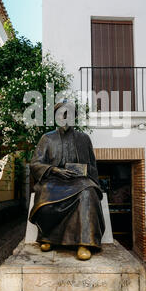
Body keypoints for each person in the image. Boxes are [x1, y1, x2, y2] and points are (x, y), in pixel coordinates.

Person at [29, 102, 105, 260]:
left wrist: (84, 173)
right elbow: (35, 164)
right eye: (61, 114)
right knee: (45, 193)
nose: (65, 117)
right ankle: (48, 237)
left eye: (68, 114)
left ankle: (85, 243)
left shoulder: (84, 139)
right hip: (53, 180)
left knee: (88, 192)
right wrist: (55, 170)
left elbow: (92, 165)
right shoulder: (47, 138)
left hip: (79, 180)